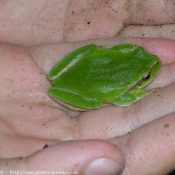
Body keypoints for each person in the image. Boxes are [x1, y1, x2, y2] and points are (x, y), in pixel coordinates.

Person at [0, 1, 175, 174]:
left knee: (91, 49)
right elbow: (122, 98)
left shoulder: (126, 54)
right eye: (145, 77)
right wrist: (137, 95)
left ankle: (59, 75)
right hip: (86, 91)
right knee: (97, 103)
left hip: (78, 68)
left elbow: (119, 49)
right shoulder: (127, 86)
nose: (153, 61)